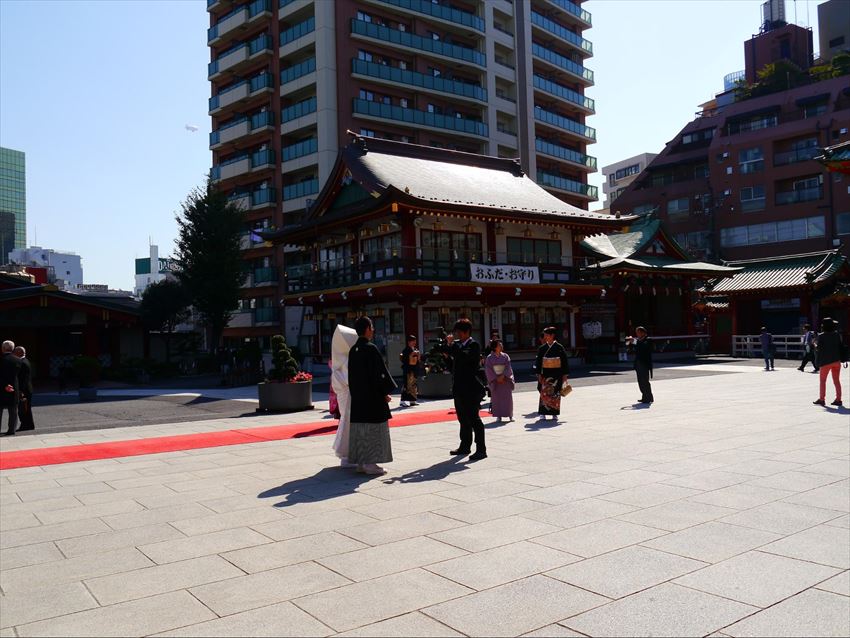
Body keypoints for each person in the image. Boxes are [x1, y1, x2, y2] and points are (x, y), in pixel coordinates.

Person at [348, 316, 396, 475]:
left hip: (358, 397)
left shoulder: (353, 350)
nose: (373, 330)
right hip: (372, 397)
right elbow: (379, 374)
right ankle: (370, 463)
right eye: (372, 327)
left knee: (361, 429)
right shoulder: (370, 348)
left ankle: (361, 462)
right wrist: (385, 392)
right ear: (368, 329)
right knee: (374, 429)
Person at [444, 318, 487, 460]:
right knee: (462, 419)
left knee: (474, 418)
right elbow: (454, 366)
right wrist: (447, 356)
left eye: (460, 333)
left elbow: (465, 359)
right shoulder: (459, 346)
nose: (458, 336)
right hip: (459, 387)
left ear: (467, 332)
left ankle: (481, 449)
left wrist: (452, 347)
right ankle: (465, 445)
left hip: (471, 388)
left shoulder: (473, 345)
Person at [331, 324, 359, 467]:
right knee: (349, 424)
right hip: (349, 395)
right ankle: (348, 455)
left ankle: (347, 454)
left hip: (344, 395)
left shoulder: (338, 361)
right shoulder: (347, 361)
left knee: (346, 423)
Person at [534, 326, 569, 420]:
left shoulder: (559, 347)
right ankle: (542, 413)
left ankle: (554, 413)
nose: (545, 336)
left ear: (552, 335)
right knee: (544, 393)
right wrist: (539, 374)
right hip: (545, 373)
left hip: (557, 373)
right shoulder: (542, 348)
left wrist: (565, 376)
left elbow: (564, 362)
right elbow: (538, 363)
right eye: (544, 334)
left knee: (555, 393)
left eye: (546, 334)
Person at [812, 317, 847, 407]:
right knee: (837, 381)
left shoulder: (821, 336)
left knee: (823, 381)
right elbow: (840, 346)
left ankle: (822, 399)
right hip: (836, 361)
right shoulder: (836, 335)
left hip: (825, 362)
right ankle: (838, 399)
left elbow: (818, 348)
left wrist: (814, 344)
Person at [484, 339, 514, 422]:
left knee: (507, 398)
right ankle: (498, 415)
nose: (501, 346)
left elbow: (508, 367)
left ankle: (510, 415)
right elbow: (488, 369)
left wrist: (503, 376)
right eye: (499, 345)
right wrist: (496, 378)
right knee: (497, 399)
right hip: (495, 380)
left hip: (505, 379)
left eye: (501, 345)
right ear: (495, 347)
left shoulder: (505, 356)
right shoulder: (489, 358)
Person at [627, 327, 654, 404]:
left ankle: (649, 397)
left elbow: (644, 347)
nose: (637, 334)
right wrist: (630, 343)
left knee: (645, 381)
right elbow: (635, 348)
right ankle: (644, 396)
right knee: (640, 381)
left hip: (644, 364)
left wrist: (634, 341)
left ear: (643, 332)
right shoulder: (638, 340)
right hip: (638, 363)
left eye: (638, 332)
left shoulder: (648, 339)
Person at [1, 340, 22, 436]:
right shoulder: (18, 360)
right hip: (14, 388)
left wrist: (5, 385)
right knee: (13, 411)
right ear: (13, 349)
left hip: (1, 389)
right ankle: (11, 430)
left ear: (3, 348)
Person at [13, 346, 34, 431]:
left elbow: (23, 379)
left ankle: (25, 425)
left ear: (20, 352)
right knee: (27, 408)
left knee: (23, 409)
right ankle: (29, 425)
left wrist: (21, 391)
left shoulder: (22, 362)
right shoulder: (26, 360)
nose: (14, 353)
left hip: (24, 390)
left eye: (15, 352)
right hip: (28, 389)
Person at [399, 335, 420, 408]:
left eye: (415, 341)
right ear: (409, 342)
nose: (414, 342)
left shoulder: (415, 349)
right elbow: (404, 359)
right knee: (406, 385)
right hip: (408, 369)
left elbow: (418, 360)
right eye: (412, 341)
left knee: (413, 385)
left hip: (414, 369)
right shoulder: (406, 350)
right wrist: (411, 354)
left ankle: (412, 401)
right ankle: (402, 401)